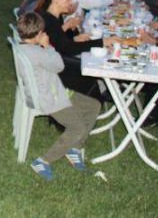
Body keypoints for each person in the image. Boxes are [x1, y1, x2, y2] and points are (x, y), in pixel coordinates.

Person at [17, 13, 99, 180]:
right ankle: (43, 161)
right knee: (78, 128)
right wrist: (48, 46)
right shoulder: (37, 52)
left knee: (93, 105)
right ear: (39, 34)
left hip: (52, 90)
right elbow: (59, 66)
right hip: (50, 99)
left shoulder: (22, 47)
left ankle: (74, 149)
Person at [36, 0, 118, 98]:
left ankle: (105, 92)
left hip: (56, 60)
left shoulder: (55, 16)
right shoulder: (49, 20)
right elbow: (68, 49)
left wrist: (76, 38)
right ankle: (97, 100)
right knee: (89, 68)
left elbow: (59, 42)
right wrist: (101, 42)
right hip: (53, 68)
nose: (71, 3)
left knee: (91, 60)